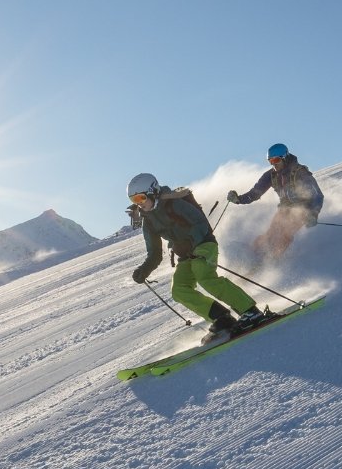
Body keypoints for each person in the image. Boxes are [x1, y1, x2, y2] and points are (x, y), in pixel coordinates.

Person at [127, 172, 265, 337]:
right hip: (186, 255)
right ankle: (221, 317)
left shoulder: (174, 203)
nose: (139, 204)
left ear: (153, 192)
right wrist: (144, 270)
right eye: (134, 200)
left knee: (203, 274)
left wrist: (191, 244)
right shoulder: (148, 221)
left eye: (141, 198)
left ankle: (250, 311)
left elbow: (199, 222)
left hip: (204, 244)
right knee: (179, 289)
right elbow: (155, 252)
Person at [227, 143, 325, 263]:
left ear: (285, 157)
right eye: (270, 161)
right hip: (284, 210)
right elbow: (255, 193)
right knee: (270, 234)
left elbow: (317, 195)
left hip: (302, 210)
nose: (273, 164)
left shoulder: (300, 173)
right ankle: (251, 255)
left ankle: (273, 260)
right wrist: (238, 199)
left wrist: (313, 214)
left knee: (284, 234)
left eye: (276, 160)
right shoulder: (271, 175)